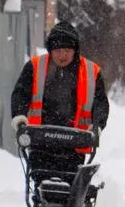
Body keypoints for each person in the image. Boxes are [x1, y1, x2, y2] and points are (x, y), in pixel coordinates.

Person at [10, 21, 109, 176]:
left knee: (70, 186)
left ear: (74, 50)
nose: (62, 55)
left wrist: (97, 125)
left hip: (75, 143)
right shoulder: (35, 67)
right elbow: (21, 94)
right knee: (40, 181)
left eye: (67, 50)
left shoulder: (91, 72)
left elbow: (100, 103)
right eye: (58, 50)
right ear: (51, 50)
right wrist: (20, 119)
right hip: (40, 141)